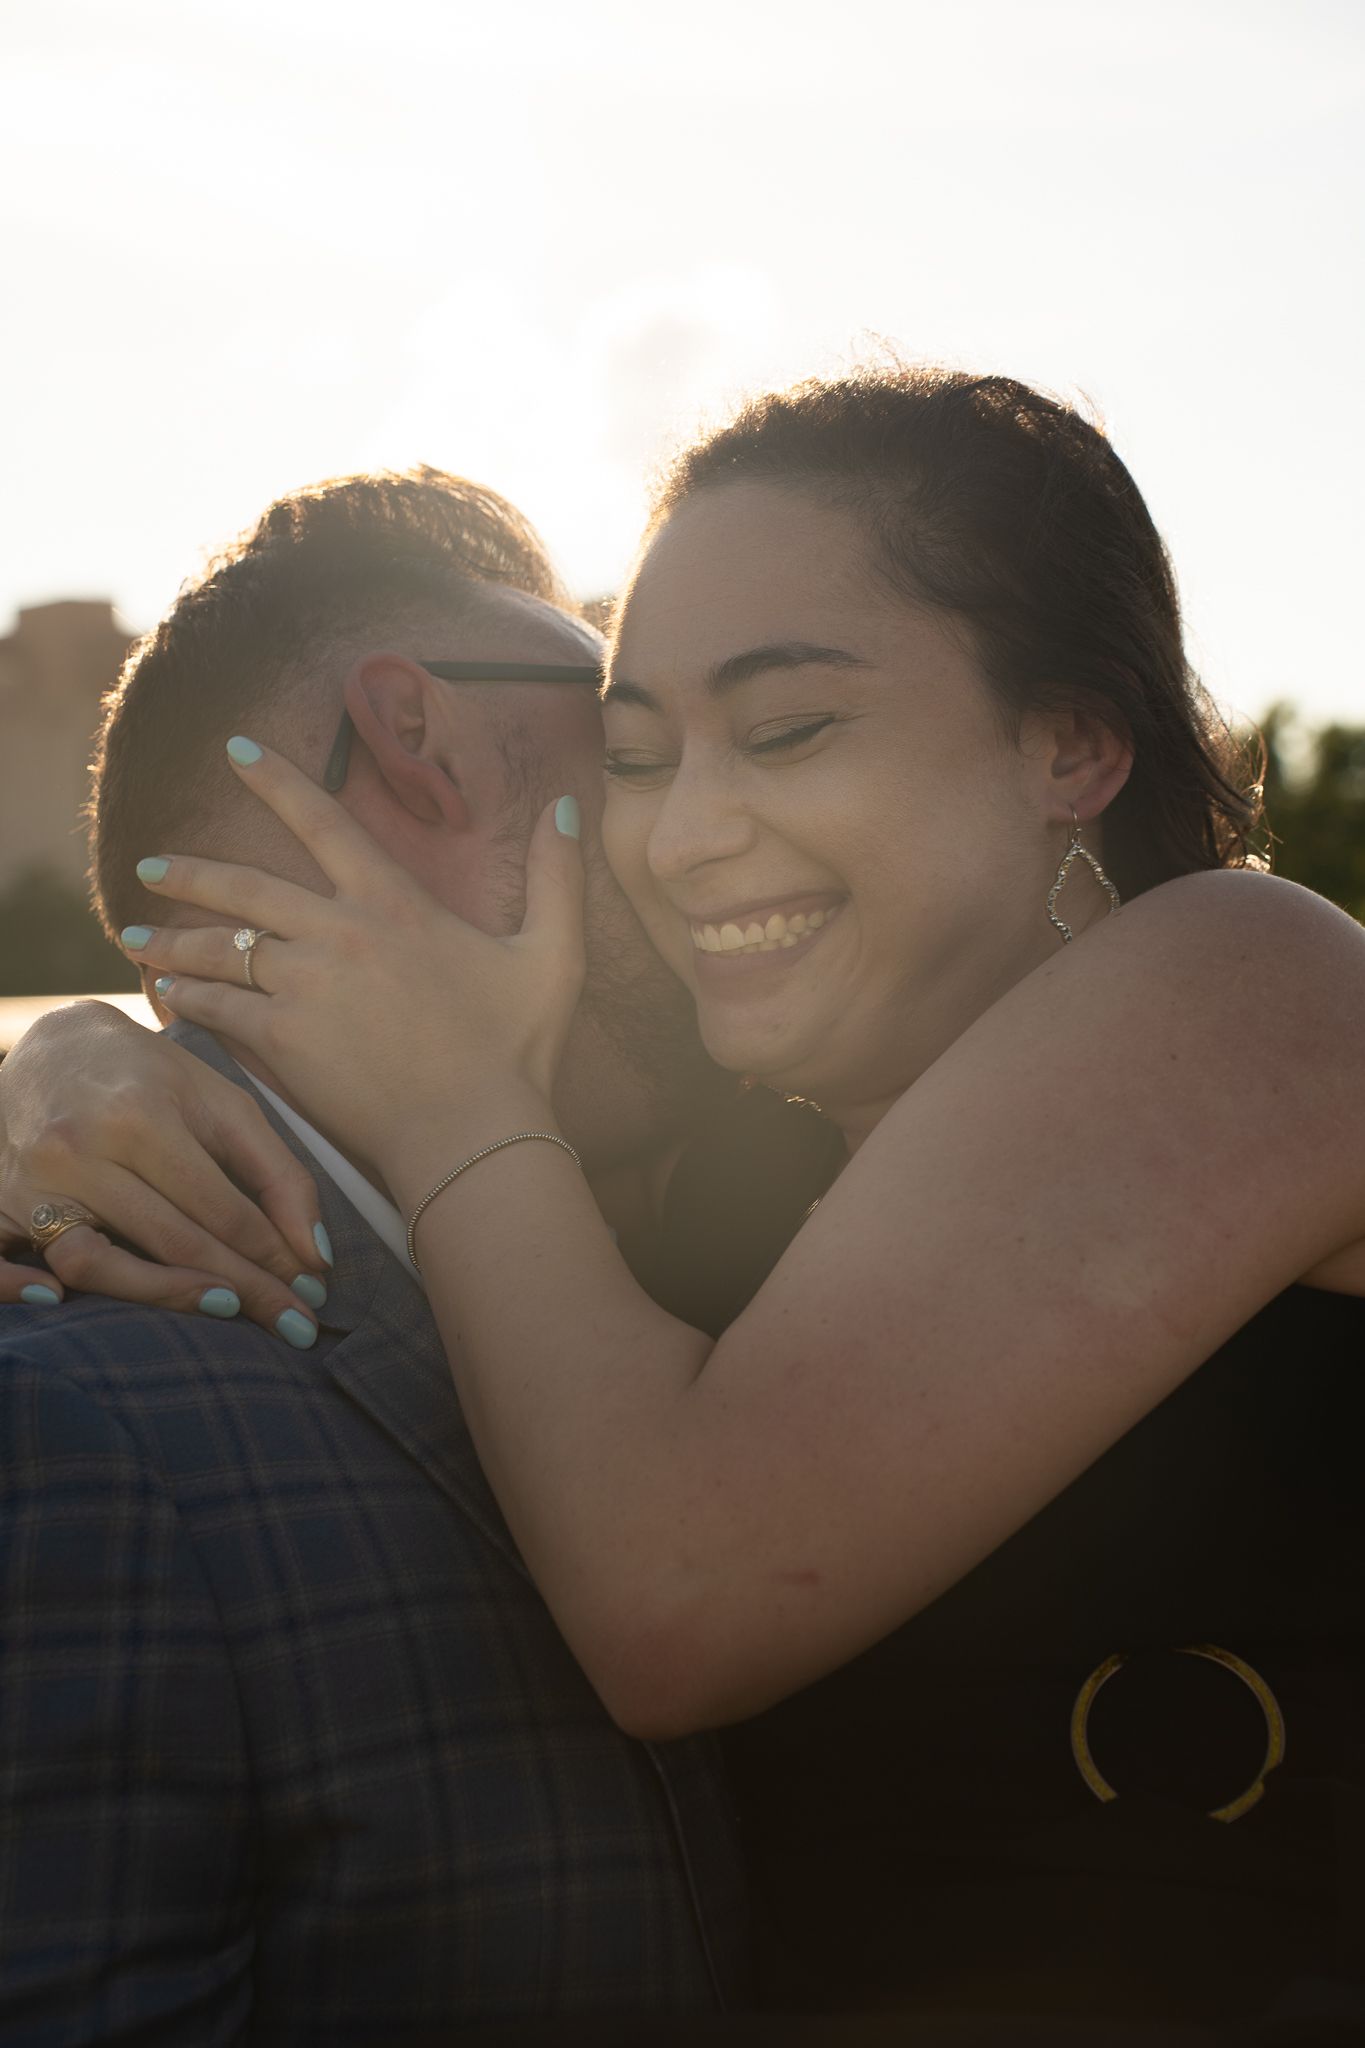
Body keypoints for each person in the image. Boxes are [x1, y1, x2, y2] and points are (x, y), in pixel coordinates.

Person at [7, 367, 1365, 2029]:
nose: (679, 834)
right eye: (635, 752)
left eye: (786, 729)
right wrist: (90, 1051)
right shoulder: (721, 1208)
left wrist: (453, 1101)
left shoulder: (1254, 975)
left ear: (1070, 740)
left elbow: (672, 1597)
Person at [0, 468, 761, 2040]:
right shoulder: (70, 1426)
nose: (701, 827)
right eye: (628, 745)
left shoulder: (728, 1251)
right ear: (422, 745)